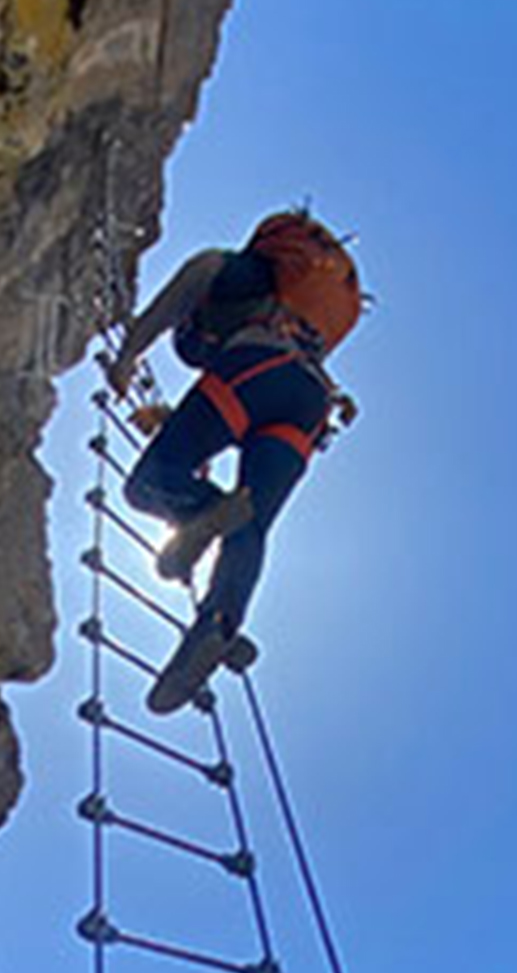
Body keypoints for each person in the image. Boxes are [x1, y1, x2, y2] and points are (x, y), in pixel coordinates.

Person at [100, 210, 364, 714]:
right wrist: (175, 419)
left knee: (150, 485)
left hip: (255, 372)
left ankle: (204, 515)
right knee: (252, 523)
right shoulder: (291, 307)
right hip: (309, 405)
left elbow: (192, 282)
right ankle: (218, 627)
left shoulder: (232, 271)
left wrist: (128, 353)